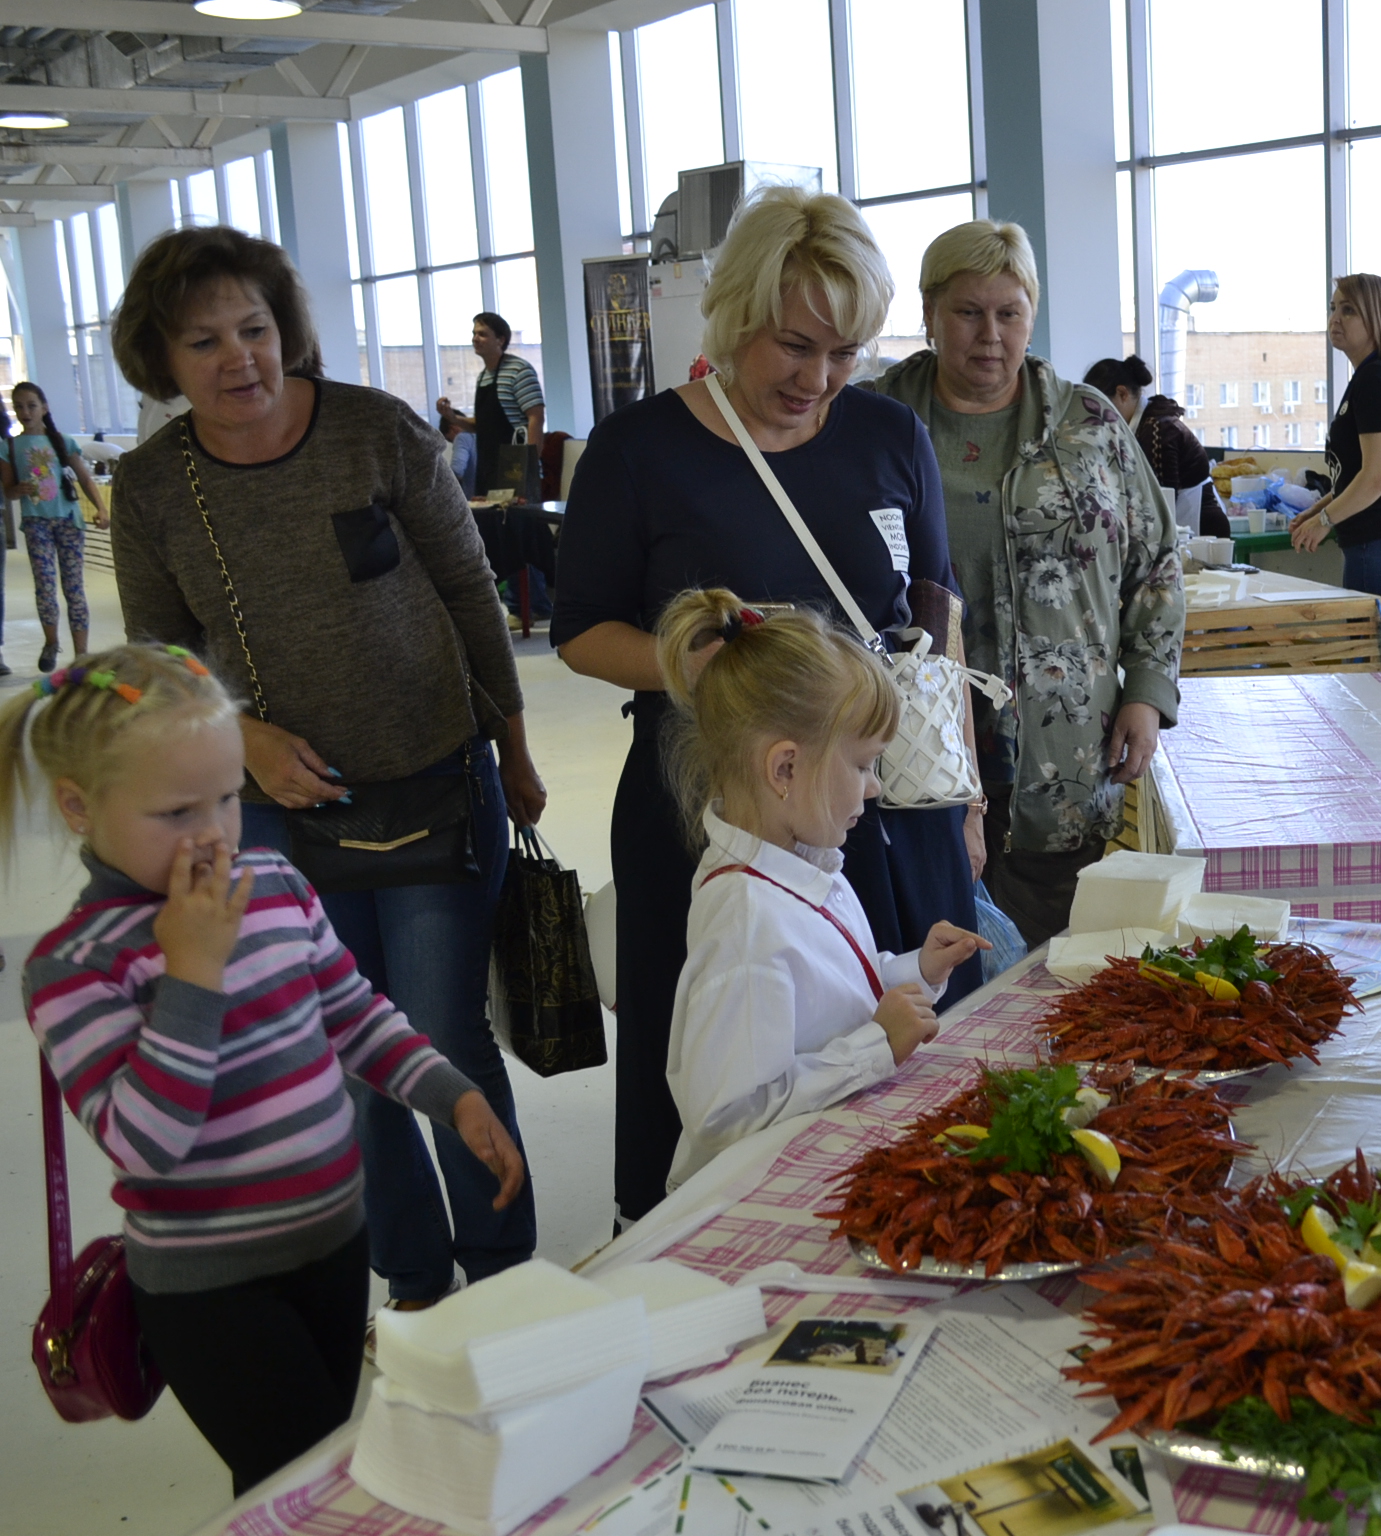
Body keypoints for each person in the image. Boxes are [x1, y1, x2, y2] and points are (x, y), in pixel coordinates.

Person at [106, 225, 548, 1312]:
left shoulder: (374, 431)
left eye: (254, 329)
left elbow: (469, 591)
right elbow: (161, 663)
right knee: (342, 1052)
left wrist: (513, 743)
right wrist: (245, 739)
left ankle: (502, 1280)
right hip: (277, 813)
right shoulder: (154, 488)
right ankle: (413, 1279)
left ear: (285, 329)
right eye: (204, 341)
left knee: (442, 1035)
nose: (238, 358)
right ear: (161, 360)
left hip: (435, 779)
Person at [553, 186, 980, 1224]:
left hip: (878, 801)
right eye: (794, 346)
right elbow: (580, 632)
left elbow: (937, 617)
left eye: (846, 353)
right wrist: (693, 667)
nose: (818, 380)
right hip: (713, 809)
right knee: (725, 1062)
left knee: (906, 1048)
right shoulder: (640, 451)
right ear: (735, 312)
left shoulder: (889, 436)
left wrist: (967, 793)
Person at [9, 643, 525, 1495]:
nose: (213, 833)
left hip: (332, 1242)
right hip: (211, 1287)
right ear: (78, 807)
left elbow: (354, 1015)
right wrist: (192, 972)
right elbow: (147, 1143)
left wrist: (452, 1095)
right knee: (297, 1477)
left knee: (322, 1454)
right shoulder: (74, 967)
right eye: (176, 811)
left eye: (226, 797)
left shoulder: (277, 883)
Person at [865, 220, 1183, 947]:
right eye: (968, 312)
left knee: (1053, 967)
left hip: (1064, 755)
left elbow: (1157, 562)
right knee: (928, 966)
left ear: (1032, 316)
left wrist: (1147, 691)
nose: (990, 335)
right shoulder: (872, 423)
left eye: (1009, 313)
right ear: (929, 313)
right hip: (907, 757)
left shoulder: (1089, 424)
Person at [654, 592, 987, 1191]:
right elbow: (727, 1120)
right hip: (755, 1200)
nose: (874, 787)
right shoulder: (746, 922)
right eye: (861, 766)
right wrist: (876, 1047)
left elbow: (834, 994)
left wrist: (915, 971)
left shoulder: (804, 865)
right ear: (784, 769)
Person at [1290, 274, 1381, 671]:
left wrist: (1325, 521)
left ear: (1375, 318)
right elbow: (1358, 473)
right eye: (1333, 308)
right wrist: (1317, 510)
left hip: (1379, 542)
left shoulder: (1376, 380)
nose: (1335, 318)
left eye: (1348, 310)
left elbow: (1379, 476)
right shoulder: (1372, 376)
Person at [3, 381, 107, 671]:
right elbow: (8, 490)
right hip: (36, 523)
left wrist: (100, 507)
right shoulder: (8, 446)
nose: (26, 412)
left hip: (69, 522)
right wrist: (17, 490)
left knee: (74, 588)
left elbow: (84, 478)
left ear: (44, 408)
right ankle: (51, 642)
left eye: (31, 406)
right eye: (19, 407)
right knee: (45, 586)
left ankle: (81, 655)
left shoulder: (63, 442)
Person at [1083, 354, 1225, 539]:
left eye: (1100, 407)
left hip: (1202, 529)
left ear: (1122, 394)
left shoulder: (1157, 429)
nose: (1099, 417)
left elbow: (1162, 499)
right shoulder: (1146, 423)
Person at [437, 311, 544, 493]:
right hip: (488, 468)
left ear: (500, 340)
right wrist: (452, 417)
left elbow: (536, 418)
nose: (475, 339)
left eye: (482, 334)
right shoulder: (483, 377)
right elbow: (483, 425)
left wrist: (529, 466)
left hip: (515, 469)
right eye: (474, 334)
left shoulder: (519, 371)